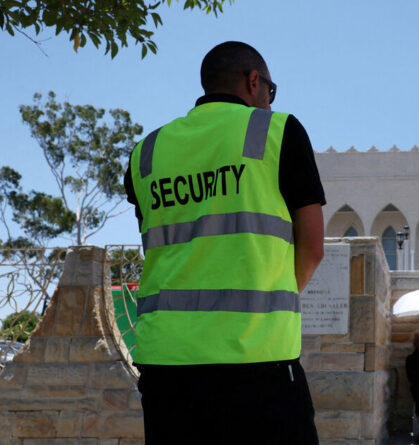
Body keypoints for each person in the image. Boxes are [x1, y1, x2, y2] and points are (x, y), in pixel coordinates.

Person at [124, 41, 326, 444]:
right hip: (258, 361)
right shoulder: (278, 131)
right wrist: (272, 297)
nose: (269, 101)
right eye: (270, 90)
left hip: (165, 365)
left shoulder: (146, 152)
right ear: (254, 82)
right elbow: (313, 247)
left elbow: (160, 246)